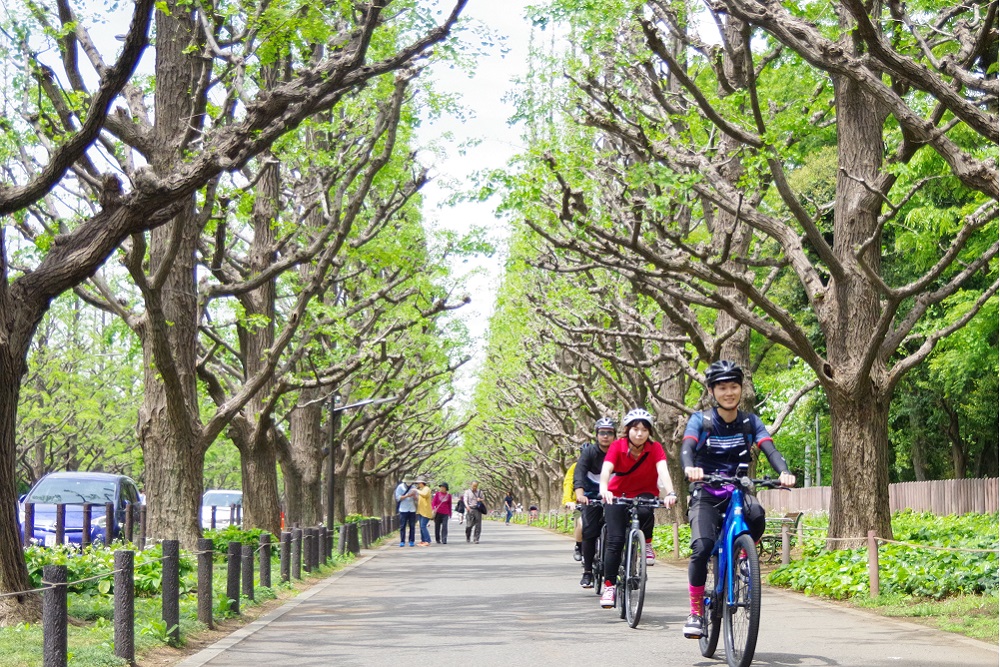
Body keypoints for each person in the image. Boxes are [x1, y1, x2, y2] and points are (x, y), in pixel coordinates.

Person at [680, 360, 796, 638]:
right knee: (702, 547)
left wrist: (784, 472)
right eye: (722, 388)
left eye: (734, 386)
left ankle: (744, 555)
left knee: (756, 515)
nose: (729, 392)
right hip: (706, 492)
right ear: (712, 391)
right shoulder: (701, 421)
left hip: (738, 488)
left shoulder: (750, 422)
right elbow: (687, 447)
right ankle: (696, 612)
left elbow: (770, 448)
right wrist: (690, 468)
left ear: (741, 389)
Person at [598, 408, 678, 608]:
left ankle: (647, 543)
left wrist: (670, 492)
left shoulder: (655, 448)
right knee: (615, 541)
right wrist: (604, 490)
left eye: (644, 429)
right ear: (627, 430)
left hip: (644, 493)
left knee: (646, 510)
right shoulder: (617, 446)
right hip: (616, 495)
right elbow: (606, 469)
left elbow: (663, 471)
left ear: (649, 431)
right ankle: (609, 586)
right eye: (635, 429)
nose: (639, 433)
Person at [574, 416, 616, 588]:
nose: (605, 436)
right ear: (596, 434)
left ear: (615, 435)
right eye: (602, 433)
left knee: (618, 532)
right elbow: (579, 474)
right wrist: (580, 494)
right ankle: (588, 571)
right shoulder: (589, 452)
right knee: (589, 531)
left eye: (609, 433)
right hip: (591, 495)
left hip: (614, 496)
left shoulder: (620, 452)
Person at [562, 461, 583, 561]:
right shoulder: (575, 467)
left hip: (598, 502)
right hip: (577, 504)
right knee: (581, 524)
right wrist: (568, 501)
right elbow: (568, 483)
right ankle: (579, 546)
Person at [394, 477, 417, 547]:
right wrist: (407, 495)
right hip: (403, 509)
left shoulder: (414, 487)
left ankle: (411, 540)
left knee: (412, 526)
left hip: (412, 509)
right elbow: (398, 498)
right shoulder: (400, 487)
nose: (409, 483)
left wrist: (414, 496)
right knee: (402, 526)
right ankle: (402, 541)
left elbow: (417, 499)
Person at [415, 478, 433, 546]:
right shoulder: (421, 490)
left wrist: (416, 490)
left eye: (418, 483)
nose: (418, 485)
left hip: (425, 511)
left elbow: (425, 494)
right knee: (421, 526)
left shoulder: (426, 489)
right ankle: (423, 540)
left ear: (422, 483)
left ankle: (427, 540)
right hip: (420, 511)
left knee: (423, 526)